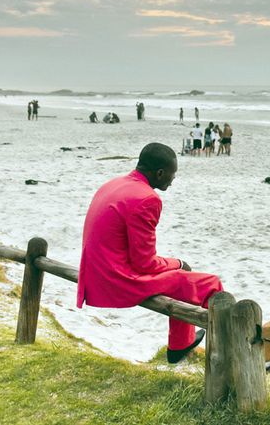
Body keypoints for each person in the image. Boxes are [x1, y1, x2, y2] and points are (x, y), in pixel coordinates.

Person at [76, 143, 223, 363]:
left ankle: (180, 345)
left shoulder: (113, 184)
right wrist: (178, 263)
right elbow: (143, 263)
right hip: (115, 280)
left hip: (94, 275)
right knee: (209, 283)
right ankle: (228, 354)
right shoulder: (147, 199)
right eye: (172, 175)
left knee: (181, 280)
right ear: (160, 173)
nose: (173, 180)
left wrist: (176, 266)